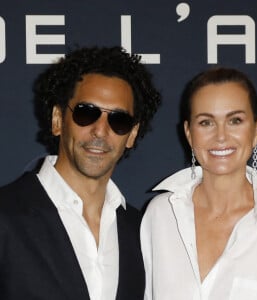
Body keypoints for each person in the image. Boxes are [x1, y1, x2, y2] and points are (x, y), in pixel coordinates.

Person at [0, 46, 161, 300]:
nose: (100, 130)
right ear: (57, 119)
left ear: (131, 134)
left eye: (118, 120)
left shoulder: (142, 231)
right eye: (87, 113)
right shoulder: (6, 216)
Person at [141, 67, 257, 300]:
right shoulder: (161, 215)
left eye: (235, 120)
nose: (221, 136)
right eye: (206, 122)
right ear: (188, 133)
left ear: (256, 130)